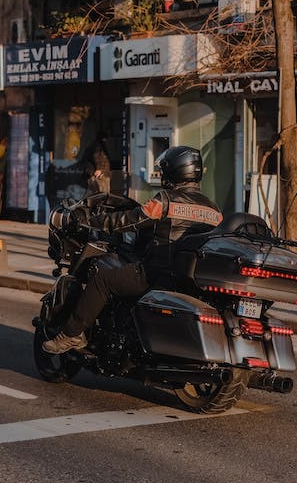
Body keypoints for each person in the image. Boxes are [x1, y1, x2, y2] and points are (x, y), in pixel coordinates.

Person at [43, 145, 223, 354]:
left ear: (174, 172)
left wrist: (94, 221)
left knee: (103, 280)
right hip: (187, 278)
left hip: (155, 272)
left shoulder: (166, 200)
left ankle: (72, 334)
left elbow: (129, 220)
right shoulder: (214, 210)